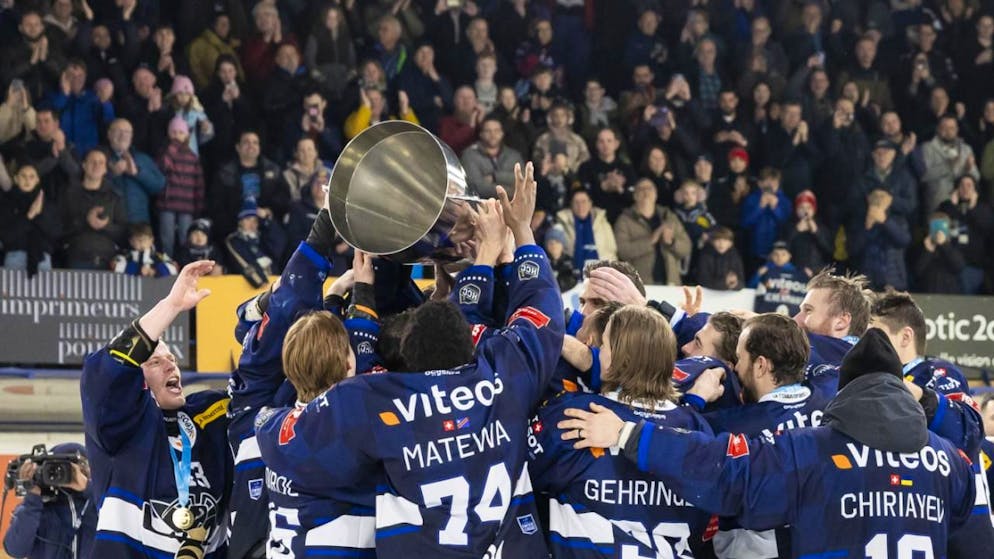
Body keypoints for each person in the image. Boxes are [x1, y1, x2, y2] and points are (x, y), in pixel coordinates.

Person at [256, 163, 565, 557]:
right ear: (473, 344)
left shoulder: (374, 393)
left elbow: (286, 442)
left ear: (406, 356)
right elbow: (543, 314)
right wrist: (519, 234)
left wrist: (265, 420)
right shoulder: (506, 373)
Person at [558, 329, 985, 557]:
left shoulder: (811, 451)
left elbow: (724, 474)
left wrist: (628, 434)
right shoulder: (950, 462)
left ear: (846, 388)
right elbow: (975, 537)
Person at [528, 306, 716, 557]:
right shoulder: (696, 426)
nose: (598, 352)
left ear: (618, 357)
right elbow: (706, 516)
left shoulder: (576, 415)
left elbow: (518, 479)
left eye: (603, 345)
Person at [80, 259, 231, 557]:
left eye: (172, 359)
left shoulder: (208, 414)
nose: (171, 365)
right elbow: (106, 373)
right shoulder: (122, 432)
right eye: (155, 361)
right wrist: (171, 305)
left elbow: (263, 383)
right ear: (137, 380)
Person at [2, 443, 96, 559]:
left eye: (79, 467)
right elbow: (15, 550)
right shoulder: (36, 506)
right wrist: (33, 498)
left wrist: (88, 488)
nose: (64, 473)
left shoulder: (98, 504)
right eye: (56, 468)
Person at [210, 130, 289, 241]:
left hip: (266, 227)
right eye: (246, 142)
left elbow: (284, 198)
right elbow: (216, 205)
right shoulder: (224, 172)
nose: (251, 146)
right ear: (238, 147)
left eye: (255, 142)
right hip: (234, 228)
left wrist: (269, 211)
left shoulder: (273, 170)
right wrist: (237, 222)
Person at [613, 178, 691, 285]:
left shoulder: (669, 216)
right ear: (635, 196)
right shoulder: (625, 220)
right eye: (641, 189)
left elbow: (686, 248)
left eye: (649, 188)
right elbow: (623, 252)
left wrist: (672, 243)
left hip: (671, 283)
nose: (646, 192)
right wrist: (651, 240)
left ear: (656, 195)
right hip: (640, 285)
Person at [60, 148, 127, 270]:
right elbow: (59, 229)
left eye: (101, 162)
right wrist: (85, 221)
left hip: (108, 260)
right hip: (76, 258)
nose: (97, 166)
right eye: (92, 162)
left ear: (106, 168)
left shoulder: (115, 197)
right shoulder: (69, 194)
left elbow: (123, 233)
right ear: (84, 165)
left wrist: (105, 226)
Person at [795, 270, 871, 371]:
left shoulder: (807, 361)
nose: (795, 320)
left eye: (808, 310)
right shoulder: (876, 366)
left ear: (841, 322)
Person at [937, 175, 994, 294]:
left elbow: (987, 228)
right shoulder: (947, 206)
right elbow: (939, 223)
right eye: (961, 185)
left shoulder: (983, 208)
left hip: (973, 267)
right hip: (949, 265)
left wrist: (973, 208)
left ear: (975, 189)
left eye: (969, 185)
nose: (965, 188)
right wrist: (953, 206)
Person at [157, 116, 206, 257]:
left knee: (186, 237)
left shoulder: (193, 157)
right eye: (174, 132)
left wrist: (198, 206)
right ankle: (169, 263)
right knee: (167, 237)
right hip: (167, 203)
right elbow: (161, 168)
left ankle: (186, 263)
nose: (177, 136)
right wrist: (170, 150)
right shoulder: (165, 152)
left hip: (187, 206)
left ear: (187, 135)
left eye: (181, 132)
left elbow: (199, 184)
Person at [0, 164, 59, 275]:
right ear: (16, 179)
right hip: (14, 256)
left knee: (43, 292)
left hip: (42, 258)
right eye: (23, 176)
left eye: (32, 176)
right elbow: (5, 235)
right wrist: (29, 216)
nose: (27, 180)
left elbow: (54, 233)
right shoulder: (6, 203)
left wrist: (40, 215)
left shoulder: (47, 204)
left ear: (37, 180)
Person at [848, 189, 911, 291]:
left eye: (880, 203)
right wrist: (867, 228)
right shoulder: (860, 221)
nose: (877, 206)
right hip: (868, 280)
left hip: (892, 280)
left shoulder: (897, 220)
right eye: (875, 202)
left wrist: (886, 222)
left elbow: (904, 240)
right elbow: (853, 249)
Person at [47, 59, 114, 154]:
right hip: (63, 153)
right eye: (71, 76)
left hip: (89, 153)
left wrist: (105, 102)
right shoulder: (53, 96)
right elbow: (50, 115)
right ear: (64, 77)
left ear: (85, 77)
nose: (76, 79)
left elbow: (108, 120)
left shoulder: (93, 98)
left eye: (80, 76)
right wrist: (64, 95)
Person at [106, 118, 165, 225]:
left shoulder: (142, 158)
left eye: (127, 132)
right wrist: (112, 175)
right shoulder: (100, 157)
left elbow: (159, 186)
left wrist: (138, 173)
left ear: (132, 136)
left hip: (139, 225)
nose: (123, 135)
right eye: (118, 131)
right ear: (109, 134)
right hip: (110, 224)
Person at [578, 127, 637, 223]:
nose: (605, 145)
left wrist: (620, 189)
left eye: (609, 141)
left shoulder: (627, 168)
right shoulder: (586, 167)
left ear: (616, 144)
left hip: (623, 218)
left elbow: (633, 197)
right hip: (595, 217)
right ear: (596, 144)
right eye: (601, 141)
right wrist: (603, 187)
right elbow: (582, 197)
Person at [740, 166, 792, 273]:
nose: (770, 185)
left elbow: (787, 224)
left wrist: (775, 208)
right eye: (766, 181)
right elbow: (745, 223)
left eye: (773, 181)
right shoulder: (751, 199)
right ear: (760, 183)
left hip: (778, 253)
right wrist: (760, 207)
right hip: (755, 251)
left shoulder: (785, 201)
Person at [461, 116, 524, 198]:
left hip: (511, 207)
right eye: (488, 131)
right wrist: (510, 191)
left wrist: (495, 177)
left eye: (496, 130)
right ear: (481, 134)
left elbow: (522, 179)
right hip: (481, 206)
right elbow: (477, 187)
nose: (493, 134)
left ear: (502, 133)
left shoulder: (513, 155)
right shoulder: (469, 155)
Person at [555, 188, 618, 269]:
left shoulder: (602, 222)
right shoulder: (563, 222)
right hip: (571, 273)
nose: (580, 206)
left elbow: (612, 250)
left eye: (584, 201)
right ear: (571, 204)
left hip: (603, 272)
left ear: (590, 203)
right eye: (576, 202)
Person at [343, 86, 419, 139]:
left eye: (376, 99)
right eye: (369, 99)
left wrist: (406, 113)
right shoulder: (353, 119)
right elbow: (355, 135)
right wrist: (366, 108)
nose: (374, 103)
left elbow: (416, 136)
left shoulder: (391, 121)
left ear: (383, 102)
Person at [112, 222, 178, 277]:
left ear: (151, 240)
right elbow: (115, 265)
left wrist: (154, 270)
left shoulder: (159, 255)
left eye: (144, 240)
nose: (141, 243)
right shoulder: (126, 255)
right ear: (131, 242)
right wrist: (138, 269)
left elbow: (174, 267)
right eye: (137, 240)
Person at [694, 226, 745, 291]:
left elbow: (741, 282)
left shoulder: (735, 256)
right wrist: (725, 283)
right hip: (707, 295)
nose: (721, 244)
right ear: (712, 242)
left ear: (730, 243)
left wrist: (735, 284)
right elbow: (703, 280)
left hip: (729, 297)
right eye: (718, 240)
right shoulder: (705, 255)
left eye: (725, 240)